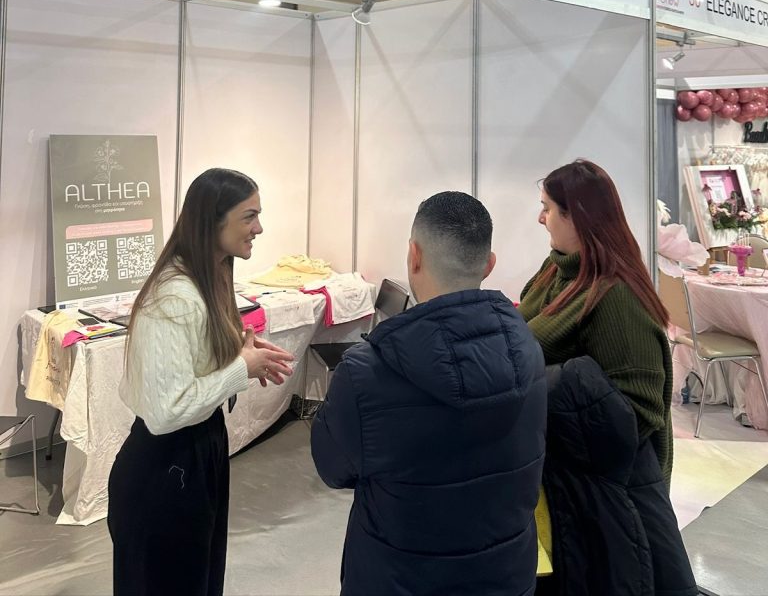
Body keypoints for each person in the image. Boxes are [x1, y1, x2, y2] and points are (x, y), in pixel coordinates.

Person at [311, 191, 547, 596]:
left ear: (414, 256)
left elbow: (333, 468)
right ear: (489, 265)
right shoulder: (528, 352)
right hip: (506, 576)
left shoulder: (365, 373)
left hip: (398, 580)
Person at [108, 168, 294, 596]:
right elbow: (165, 412)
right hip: (165, 470)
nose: (259, 228)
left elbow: (195, 363)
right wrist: (239, 369)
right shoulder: (175, 297)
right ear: (213, 221)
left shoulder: (211, 275)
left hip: (197, 455)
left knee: (199, 579)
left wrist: (239, 353)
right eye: (249, 216)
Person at [519, 159, 697, 596]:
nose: (540, 218)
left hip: (606, 497)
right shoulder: (557, 270)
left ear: (575, 216)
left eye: (547, 209)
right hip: (564, 484)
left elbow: (638, 414)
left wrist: (553, 390)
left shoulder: (615, 297)